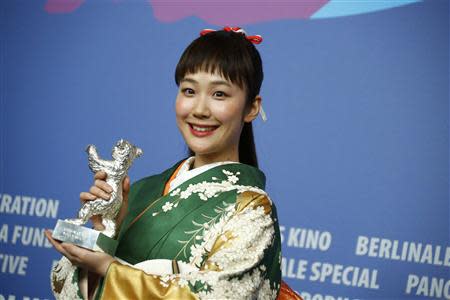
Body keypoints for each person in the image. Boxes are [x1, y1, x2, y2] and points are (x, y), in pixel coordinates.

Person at [46, 27, 287, 300]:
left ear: (252, 108)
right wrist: (106, 230)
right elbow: (64, 291)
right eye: (189, 90)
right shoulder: (142, 191)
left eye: (219, 94)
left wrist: (110, 270)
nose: (199, 109)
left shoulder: (251, 211)